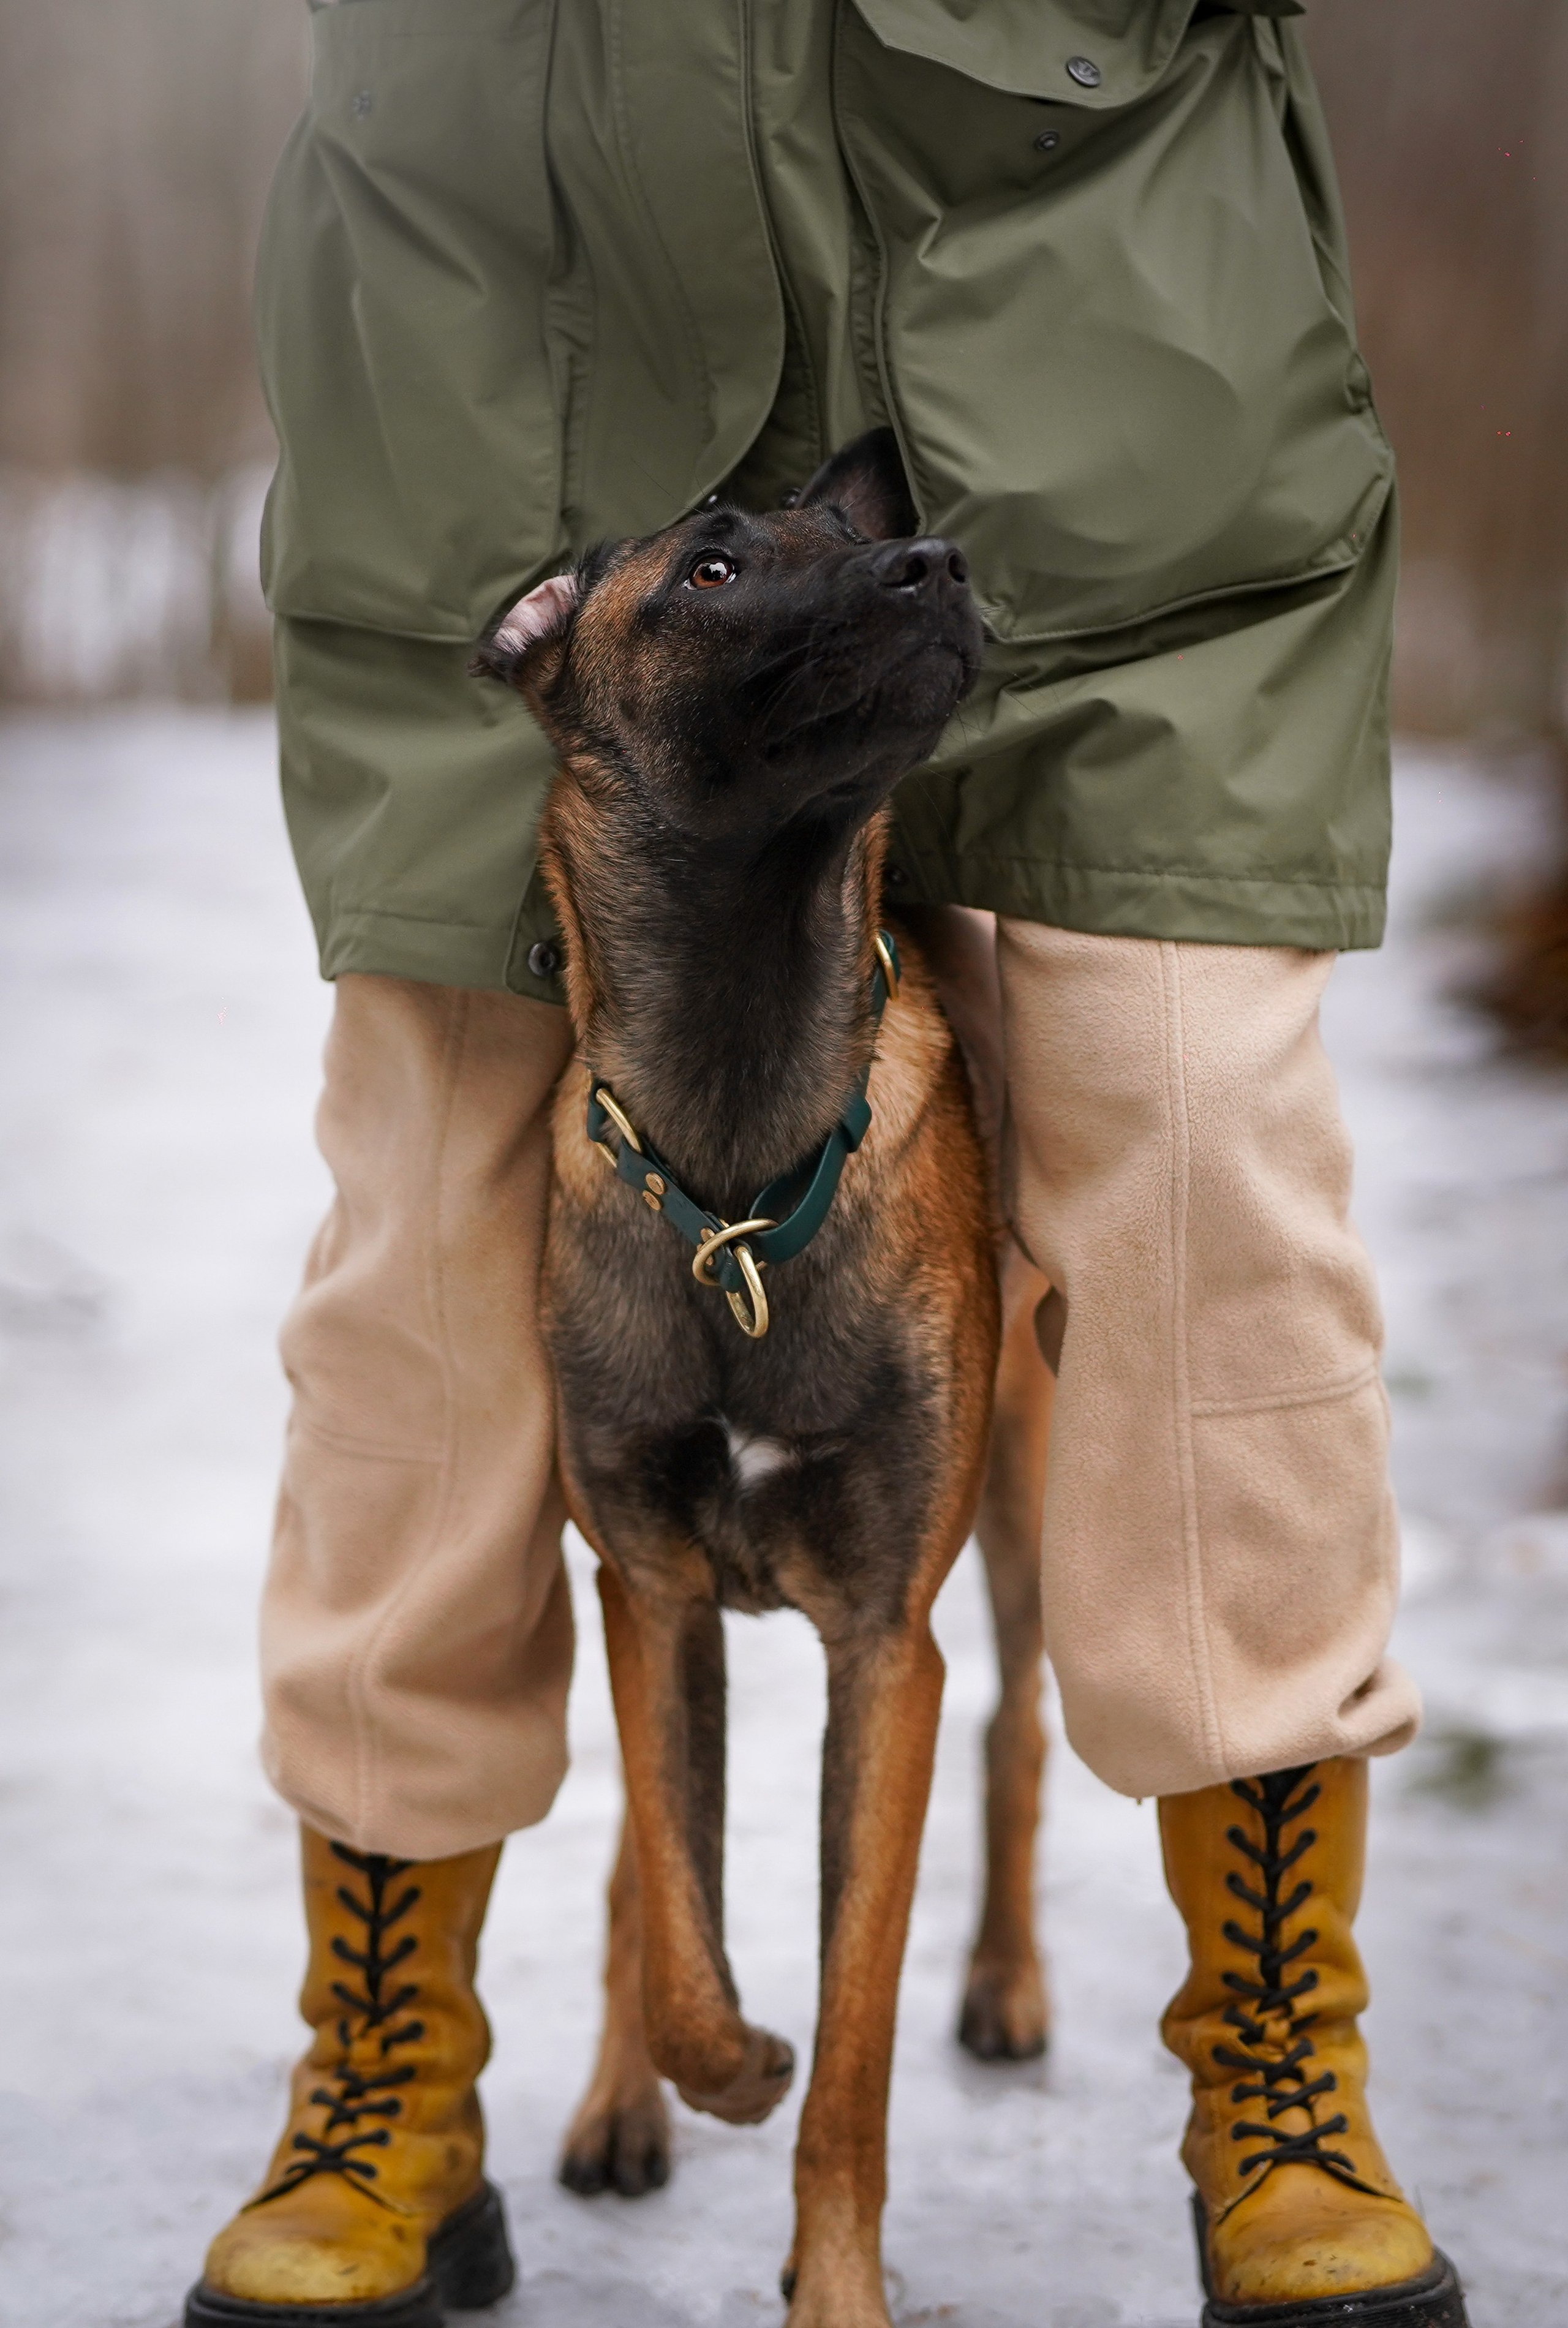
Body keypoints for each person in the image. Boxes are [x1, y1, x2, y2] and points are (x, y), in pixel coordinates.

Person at [186, 7, 1468, 2326]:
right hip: (506, 356)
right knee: (431, 1233)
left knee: (1205, 1178)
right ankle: (393, 2055)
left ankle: (1278, 2053)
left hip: (1100, 403)